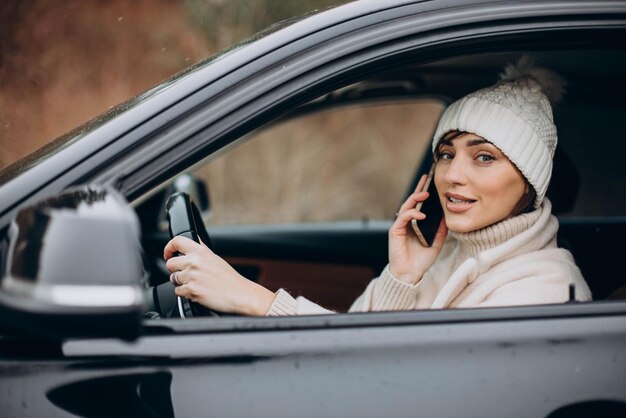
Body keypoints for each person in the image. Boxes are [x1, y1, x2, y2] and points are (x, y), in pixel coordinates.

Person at [163, 55, 592, 316]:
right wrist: (400, 279)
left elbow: (401, 384)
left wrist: (253, 298)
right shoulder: (446, 255)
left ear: (530, 181)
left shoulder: (544, 291)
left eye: (484, 157)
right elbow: (359, 343)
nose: (453, 175)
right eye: (446, 153)